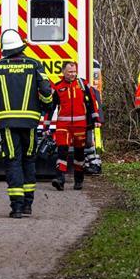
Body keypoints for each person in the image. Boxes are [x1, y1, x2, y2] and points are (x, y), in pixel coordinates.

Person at [0, 29, 53, 218]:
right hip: (30, 123)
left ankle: (17, 208)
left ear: (5, 49)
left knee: (13, 161)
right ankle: (28, 205)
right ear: (21, 47)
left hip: (7, 123)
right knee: (29, 160)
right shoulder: (35, 65)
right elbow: (46, 91)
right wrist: (47, 107)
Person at [47, 62, 101, 191]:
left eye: (74, 71)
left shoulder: (83, 85)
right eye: (70, 72)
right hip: (63, 125)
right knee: (62, 151)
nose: (72, 74)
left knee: (79, 154)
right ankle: (60, 179)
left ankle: (78, 180)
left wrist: (96, 119)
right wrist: (46, 126)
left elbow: (92, 102)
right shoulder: (58, 87)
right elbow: (51, 108)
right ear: (63, 72)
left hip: (80, 125)